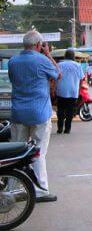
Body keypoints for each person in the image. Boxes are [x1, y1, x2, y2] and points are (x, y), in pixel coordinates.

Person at [7, 30, 60, 202]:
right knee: (38, 152)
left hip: (18, 113)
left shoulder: (13, 61)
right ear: (38, 45)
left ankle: (12, 190)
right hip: (39, 113)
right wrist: (48, 54)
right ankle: (41, 191)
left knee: (16, 153)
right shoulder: (43, 60)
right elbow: (58, 74)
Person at [55, 49, 84, 134]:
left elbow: (55, 77)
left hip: (61, 91)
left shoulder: (59, 65)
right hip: (73, 91)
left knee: (60, 110)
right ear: (73, 56)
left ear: (65, 56)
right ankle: (67, 129)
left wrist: (54, 88)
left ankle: (60, 128)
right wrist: (79, 90)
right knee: (70, 111)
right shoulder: (78, 66)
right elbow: (81, 79)